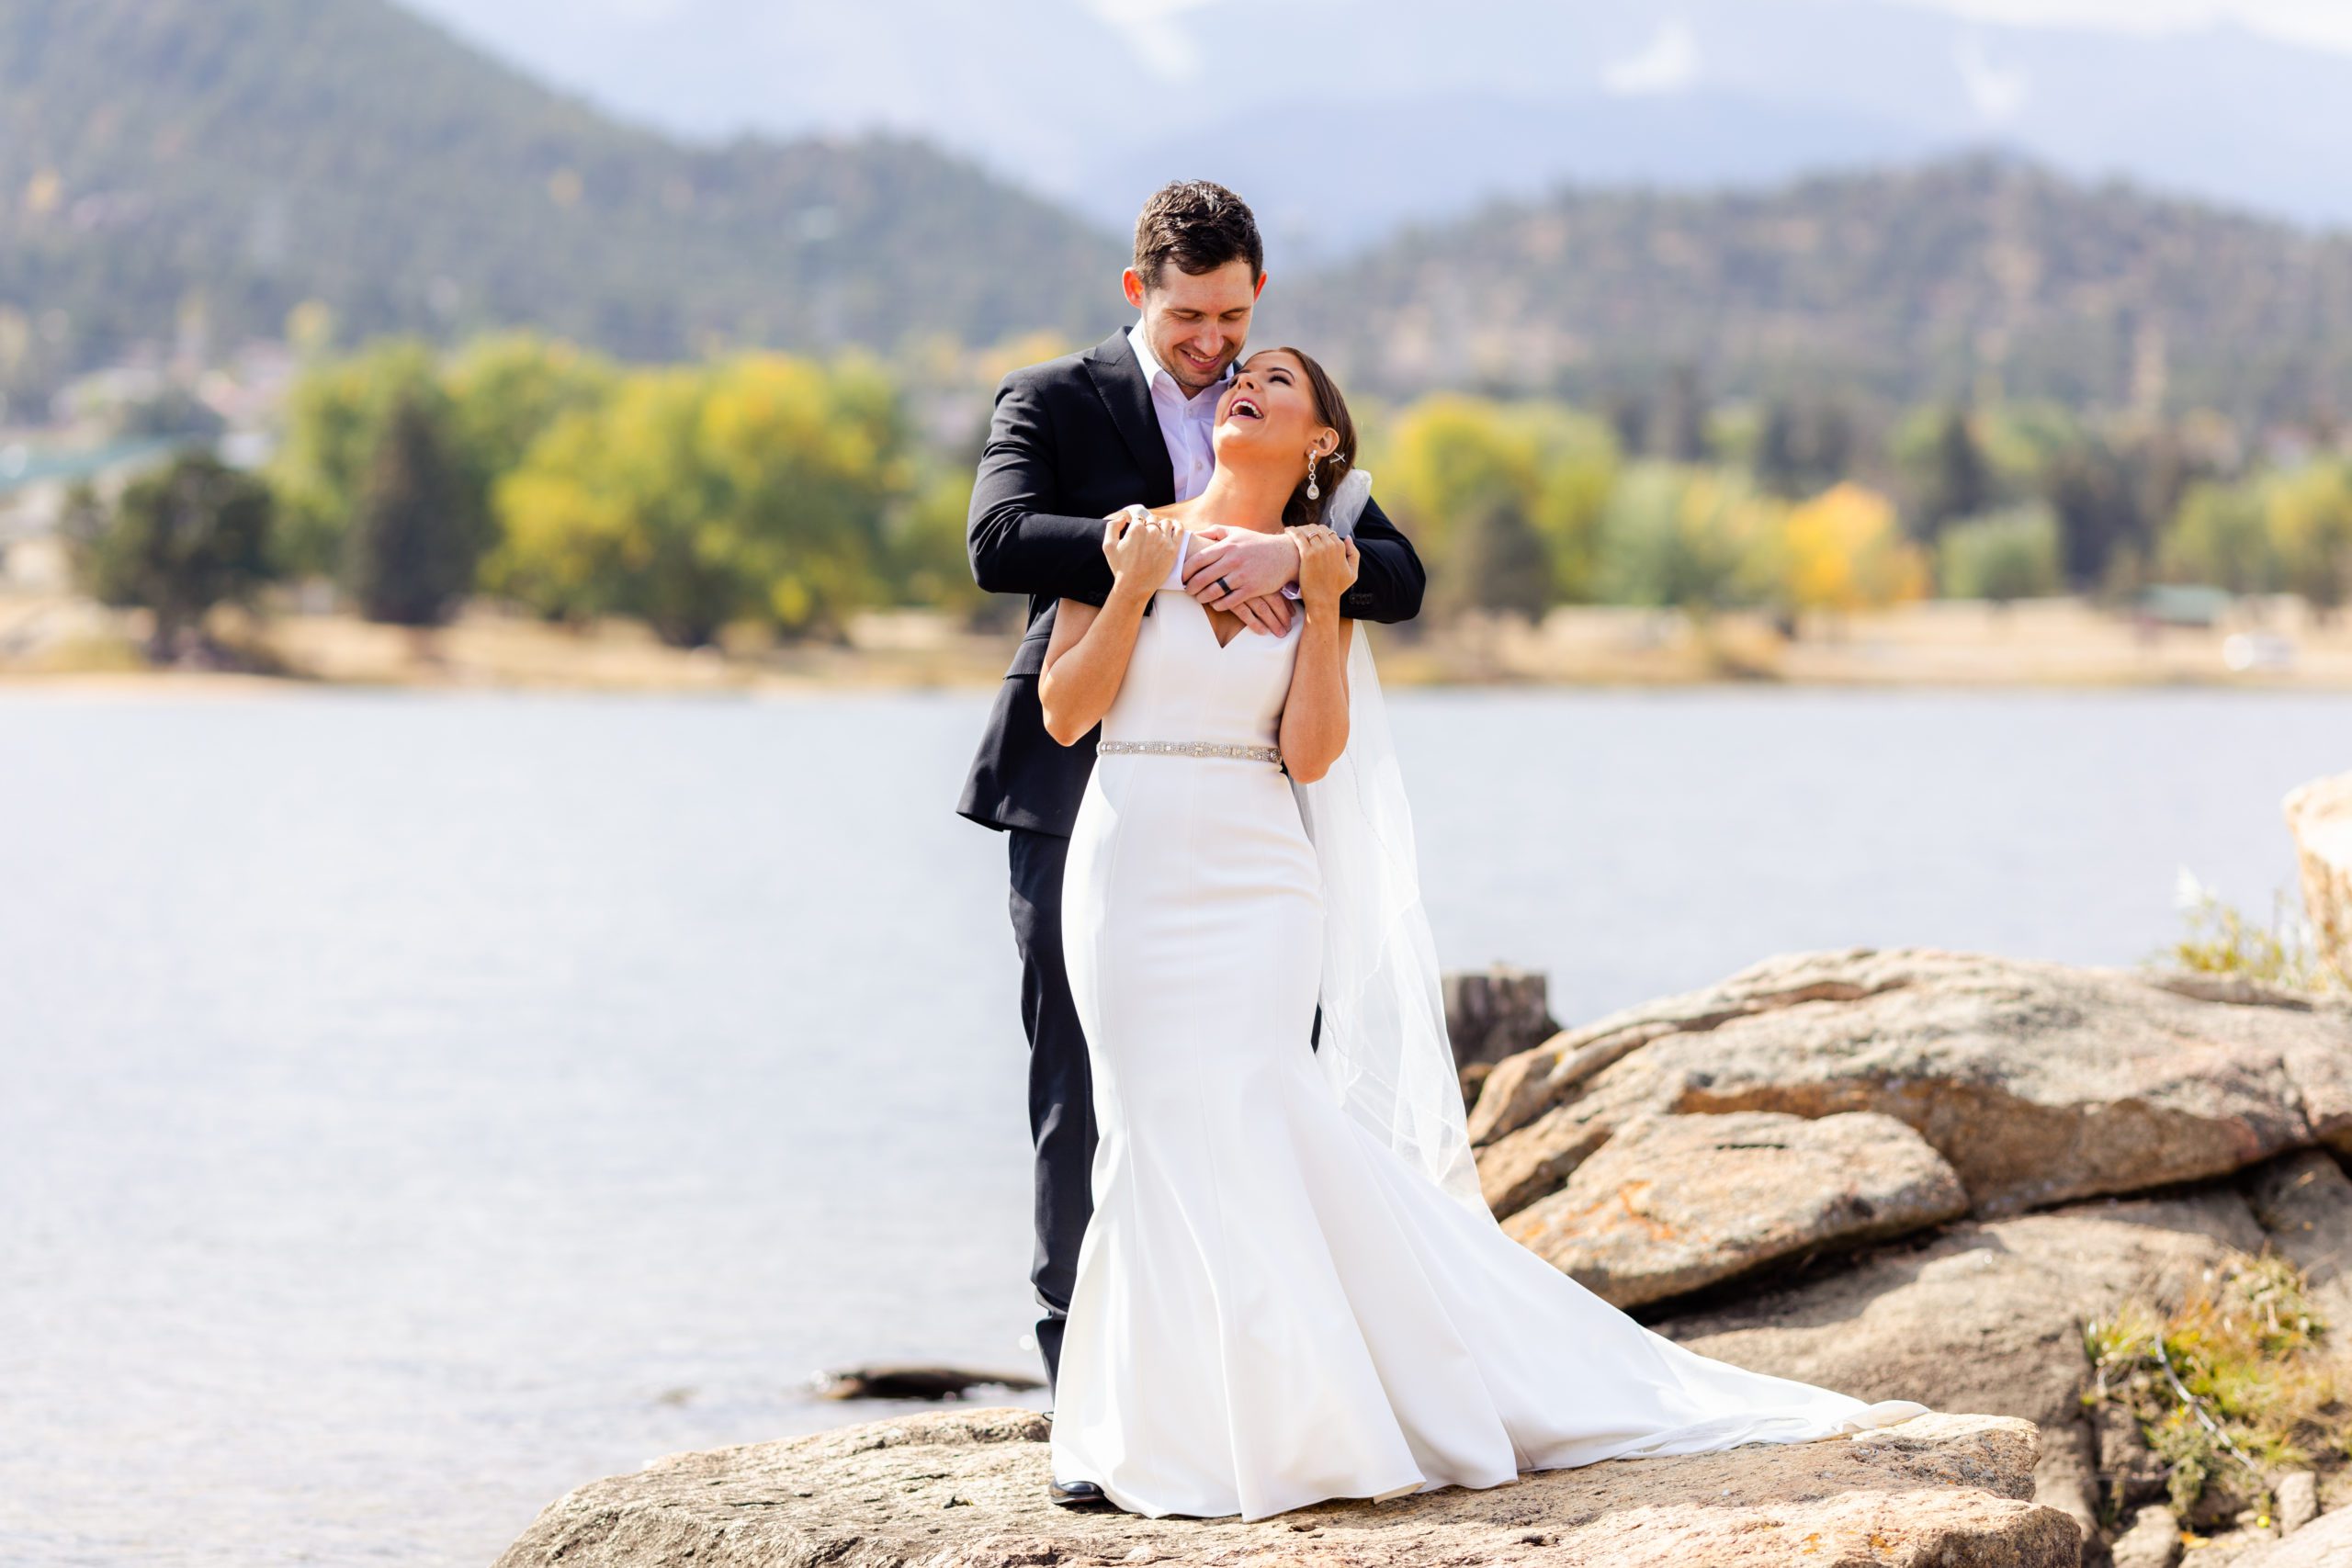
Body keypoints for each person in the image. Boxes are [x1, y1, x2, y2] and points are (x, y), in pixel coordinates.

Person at [1030, 344, 1933, 1521]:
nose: (1244, 379)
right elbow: (1062, 712)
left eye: (1280, 382)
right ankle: (1140, 1420)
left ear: (1321, 445)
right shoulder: (1127, 536)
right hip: (1131, 857)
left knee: (1252, 1104)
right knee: (1148, 1126)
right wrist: (1142, 582)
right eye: (1239, 373)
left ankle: (1298, 1411)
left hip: (1256, 875)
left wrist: (1314, 599)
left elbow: (1309, 754)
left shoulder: (1323, 570)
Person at [955, 179, 1429, 1480]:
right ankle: (1085, 1388)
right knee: (1083, 1094)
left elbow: (1396, 573)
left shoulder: (1283, 416)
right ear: (1136, 294)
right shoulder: (1054, 400)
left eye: (1234, 316)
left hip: (1251, 818)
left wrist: (1289, 561)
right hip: (1080, 796)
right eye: (1190, 318)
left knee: (1263, 1093)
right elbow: (998, 544)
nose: (1215, 345)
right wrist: (1145, 548)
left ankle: (1279, 1376)